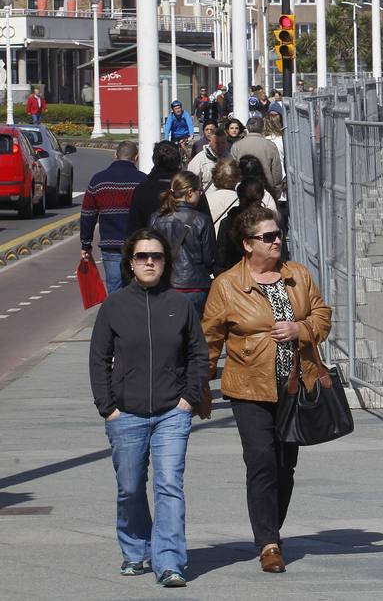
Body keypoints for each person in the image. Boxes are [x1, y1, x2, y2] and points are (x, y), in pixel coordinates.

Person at [202, 205, 332, 573]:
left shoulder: (297, 276)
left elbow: (322, 314)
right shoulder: (227, 285)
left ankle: (270, 526)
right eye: (268, 237)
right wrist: (201, 386)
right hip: (249, 388)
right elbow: (209, 338)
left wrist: (300, 330)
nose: (277, 241)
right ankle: (269, 543)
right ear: (247, 244)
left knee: (284, 465)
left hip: (295, 386)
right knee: (260, 459)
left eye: (278, 235)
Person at [89, 229, 208, 588]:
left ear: (165, 262)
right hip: (126, 414)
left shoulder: (179, 304)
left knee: (169, 484)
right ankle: (136, 549)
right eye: (142, 257)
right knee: (129, 487)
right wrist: (108, 408)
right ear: (130, 262)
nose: (150, 262)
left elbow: (198, 354)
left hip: (172, 412)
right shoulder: (114, 306)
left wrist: (188, 398)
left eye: (156, 256)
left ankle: (170, 561)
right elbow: (98, 360)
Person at [80, 141, 148, 294]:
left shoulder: (98, 180)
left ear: (115, 156)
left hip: (110, 245)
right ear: (136, 158)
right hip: (137, 246)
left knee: (115, 290)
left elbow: (88, 214)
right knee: (138, 290)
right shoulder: (142, 180)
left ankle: (116, 317)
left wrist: (86, 244)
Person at [149, 172, 218, 317]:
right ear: (190, 192)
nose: (200, 194)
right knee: (194, 332)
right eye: (199, 190)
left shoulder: (156, 218)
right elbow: (209, 258)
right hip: (195, 285)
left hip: (165, 283)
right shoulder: (202, 219)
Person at [217, 177, 275, 270]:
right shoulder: (269, 221)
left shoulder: (228, 222)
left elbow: (221, 256)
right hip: (264, 272)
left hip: (234, 276)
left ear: (239, 195)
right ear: (262, 195)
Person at [127, 141, 183, 235]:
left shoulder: (142, 190)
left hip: (151, 245)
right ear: (178, 160)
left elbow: (134, 230)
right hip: (186, 247)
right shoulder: (189, 189)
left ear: (154, 160)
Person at [231, 115, 286, 197]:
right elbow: (276, 170)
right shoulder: (270, 145)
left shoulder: (237, 146)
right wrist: (277, 189)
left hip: (244, 189)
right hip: (266, 189)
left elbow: (233, 169)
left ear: (248, 128)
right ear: (262, 128)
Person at [188, 121, 229, 189]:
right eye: (217, 143)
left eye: (223, 143)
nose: (220, 146)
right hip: (207, 197)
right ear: (210, 141)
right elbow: (190, 183)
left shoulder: (229, 158)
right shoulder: (199, 159)